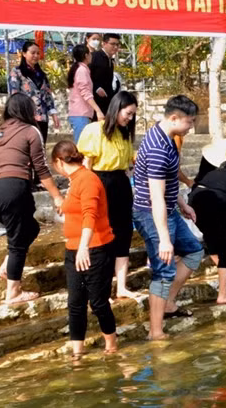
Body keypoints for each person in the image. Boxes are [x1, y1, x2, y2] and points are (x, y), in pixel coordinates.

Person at [132, 95, 204, 340]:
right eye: (189, 122)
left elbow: (171, 181)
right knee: (163, 270)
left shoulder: (169, 138)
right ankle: (156, 332)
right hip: (151, 213)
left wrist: (182, 203)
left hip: (169, 209)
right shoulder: (157, 148)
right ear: (174, 118)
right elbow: (156, 196)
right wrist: (164, 239)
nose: (192, 126)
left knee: (194, 251)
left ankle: (169, 302)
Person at [0, 94, 64, 304]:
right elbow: (41, 168)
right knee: (18, 242)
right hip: (13, 190)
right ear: (27, 110)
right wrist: (57, 196)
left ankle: (5, 268)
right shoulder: (31, 131)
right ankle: (13, 292)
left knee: (31, 229)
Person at [50, 141, 118, 358]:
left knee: (98, 301)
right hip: (74, 248)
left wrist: (83, 248)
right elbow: (77, 210)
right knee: (75, 302)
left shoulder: (87, 179)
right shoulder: (74, 181)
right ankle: (77, 353)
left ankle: (111, 345)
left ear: (59, 162)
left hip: (95, 247)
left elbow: (90, 214)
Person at [78, 91, 139, 300]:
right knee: (102, 234)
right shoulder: (95, 130)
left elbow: (130, 163)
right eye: (127, 113)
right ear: (117, 108)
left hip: (121, 184)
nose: (129, 118)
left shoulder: (124, 135)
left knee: (123, 234)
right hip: (100, 182)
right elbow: (87, 163)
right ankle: (99, 286)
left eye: (132, 115)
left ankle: (121, 286)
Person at [189, 159, 226, 305]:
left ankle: (222, 271)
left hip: (194, 201)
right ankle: (223, 294)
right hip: (217, 202)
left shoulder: (211, 174)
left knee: (211, 238)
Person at [9, 41, 59, 144]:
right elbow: (14, 94)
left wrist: (54, 115)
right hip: (25, 117)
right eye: (32, 53)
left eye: (38, 53)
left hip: (42, 117)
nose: (35, 56)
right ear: (24, 54)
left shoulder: (41, 74)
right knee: (26, 146)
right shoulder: (17, 72)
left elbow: (48, 95)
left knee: (40, 146)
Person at [67, 44, 104, 143]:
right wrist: (98, 110)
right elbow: (86, 93)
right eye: (90, 54)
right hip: (80, 114)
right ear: (86, 55)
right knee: (81, 145)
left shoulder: (80, 69)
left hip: (81, 113)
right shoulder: (82, 70)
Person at [90, 33, 121, 116]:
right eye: (112, 44)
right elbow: (86, 76)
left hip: (106, 103)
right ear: (104, 44)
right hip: (94, 103)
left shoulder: (110, 60)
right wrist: (96, 88)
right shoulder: (94, 57)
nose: (115, 47)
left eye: (117, 44)